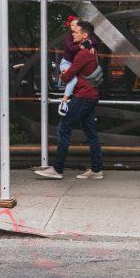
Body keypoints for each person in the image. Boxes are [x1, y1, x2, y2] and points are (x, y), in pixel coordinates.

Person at [36, 20, 104, 180]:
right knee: (91, 133)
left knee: (64, 129)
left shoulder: (83, 53)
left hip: (83, 97)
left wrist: (63, 74)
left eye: (75, 32)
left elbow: (68, 75)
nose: (72, 33)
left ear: (84, 34)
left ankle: (57, 169)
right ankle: (96, 170)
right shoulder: (91, 50)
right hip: (91, 95)